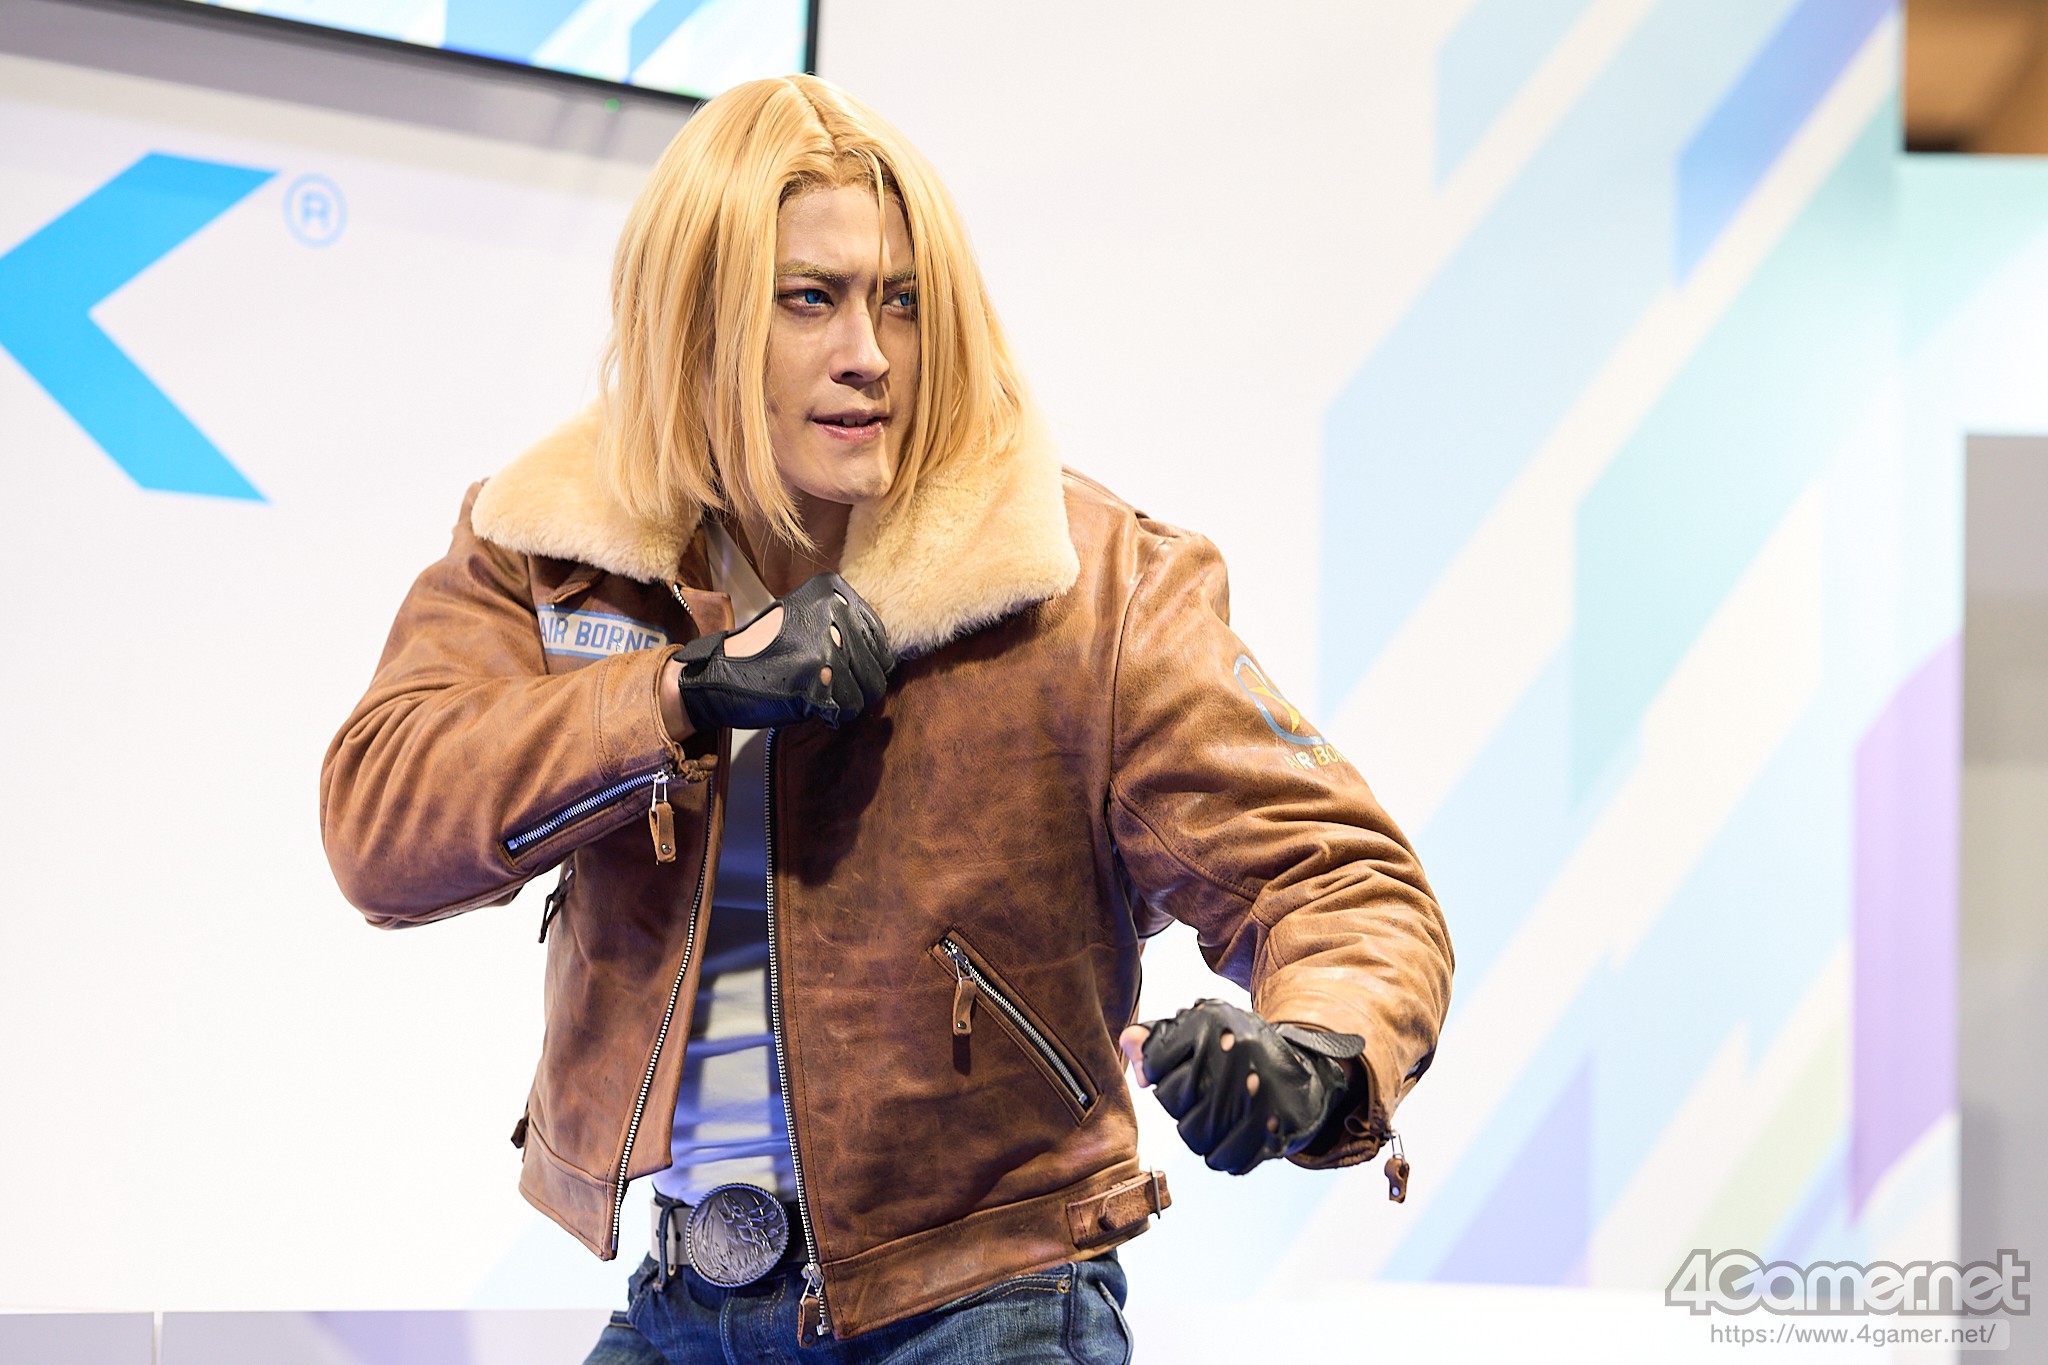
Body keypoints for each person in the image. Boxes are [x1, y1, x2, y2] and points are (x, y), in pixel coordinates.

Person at [320, 74, 1452, 1363]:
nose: (869, 350)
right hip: (681, 1300)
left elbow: (1342, 880)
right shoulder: (560, 546)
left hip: (987, 1304)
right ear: (696, 318)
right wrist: (678, 694)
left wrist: (1318, 1053)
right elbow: (381, 819)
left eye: (902, 300)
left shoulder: (1083, 582)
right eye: (812, 297)